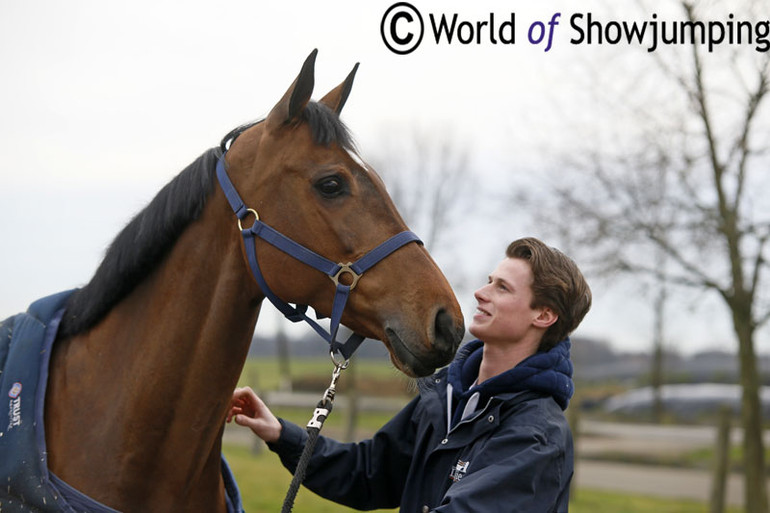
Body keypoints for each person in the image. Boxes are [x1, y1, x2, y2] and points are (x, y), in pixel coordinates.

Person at [227, 237, 592, 512]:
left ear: (543, 316)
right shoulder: (445, 399)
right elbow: (366, 472)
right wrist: (279, 432)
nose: (481, 293)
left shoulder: (537, 437)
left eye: (503, 288)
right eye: (489, 281)